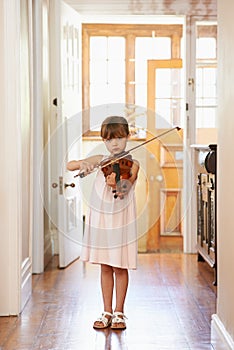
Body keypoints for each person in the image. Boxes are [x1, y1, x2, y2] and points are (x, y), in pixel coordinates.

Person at [67, 116, 139, 330]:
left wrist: (117, 183)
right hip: (101, 220)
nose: (114, 144)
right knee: (105, 266)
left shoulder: (132, 164)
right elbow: (70, 165)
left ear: (127, 137)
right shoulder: (101, 159)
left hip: (120, 221)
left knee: (119, 266)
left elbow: (126, 184)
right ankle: (106, 311)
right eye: (109, 140)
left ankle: (120, 311)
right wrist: (88, 164)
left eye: (118, 138)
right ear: (104, 142)